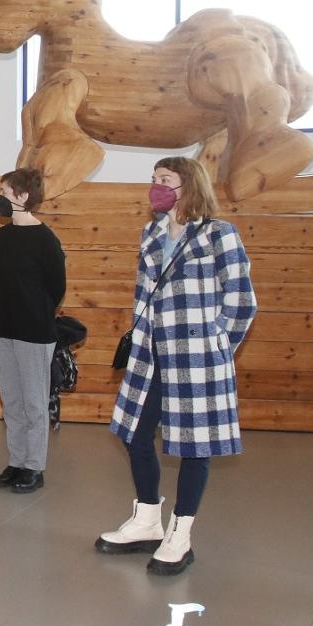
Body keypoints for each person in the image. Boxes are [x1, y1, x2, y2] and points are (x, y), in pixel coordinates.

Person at [96, 157, 256, 576]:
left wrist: (216, 343)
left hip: (198, 357)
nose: (156, 187)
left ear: (189, 186)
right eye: (153, 180)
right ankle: (147, 519)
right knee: (134, 433)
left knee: (192, 445)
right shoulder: (151, 233)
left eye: (165, 180)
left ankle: (180, 534)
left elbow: (242, 300)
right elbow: (141, 295)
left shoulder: (219, 234)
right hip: (151, 354)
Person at [0, 168, 66, 494]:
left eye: (5, 191)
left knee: (34, 403)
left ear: (22, 197)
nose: (0, 197)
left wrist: (35, 313)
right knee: (12, 402)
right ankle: (16, 462)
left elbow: (56, 286)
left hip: (34, 332)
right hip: (4, 328)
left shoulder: (46, 239)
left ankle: (34, 466)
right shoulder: (3, 235)